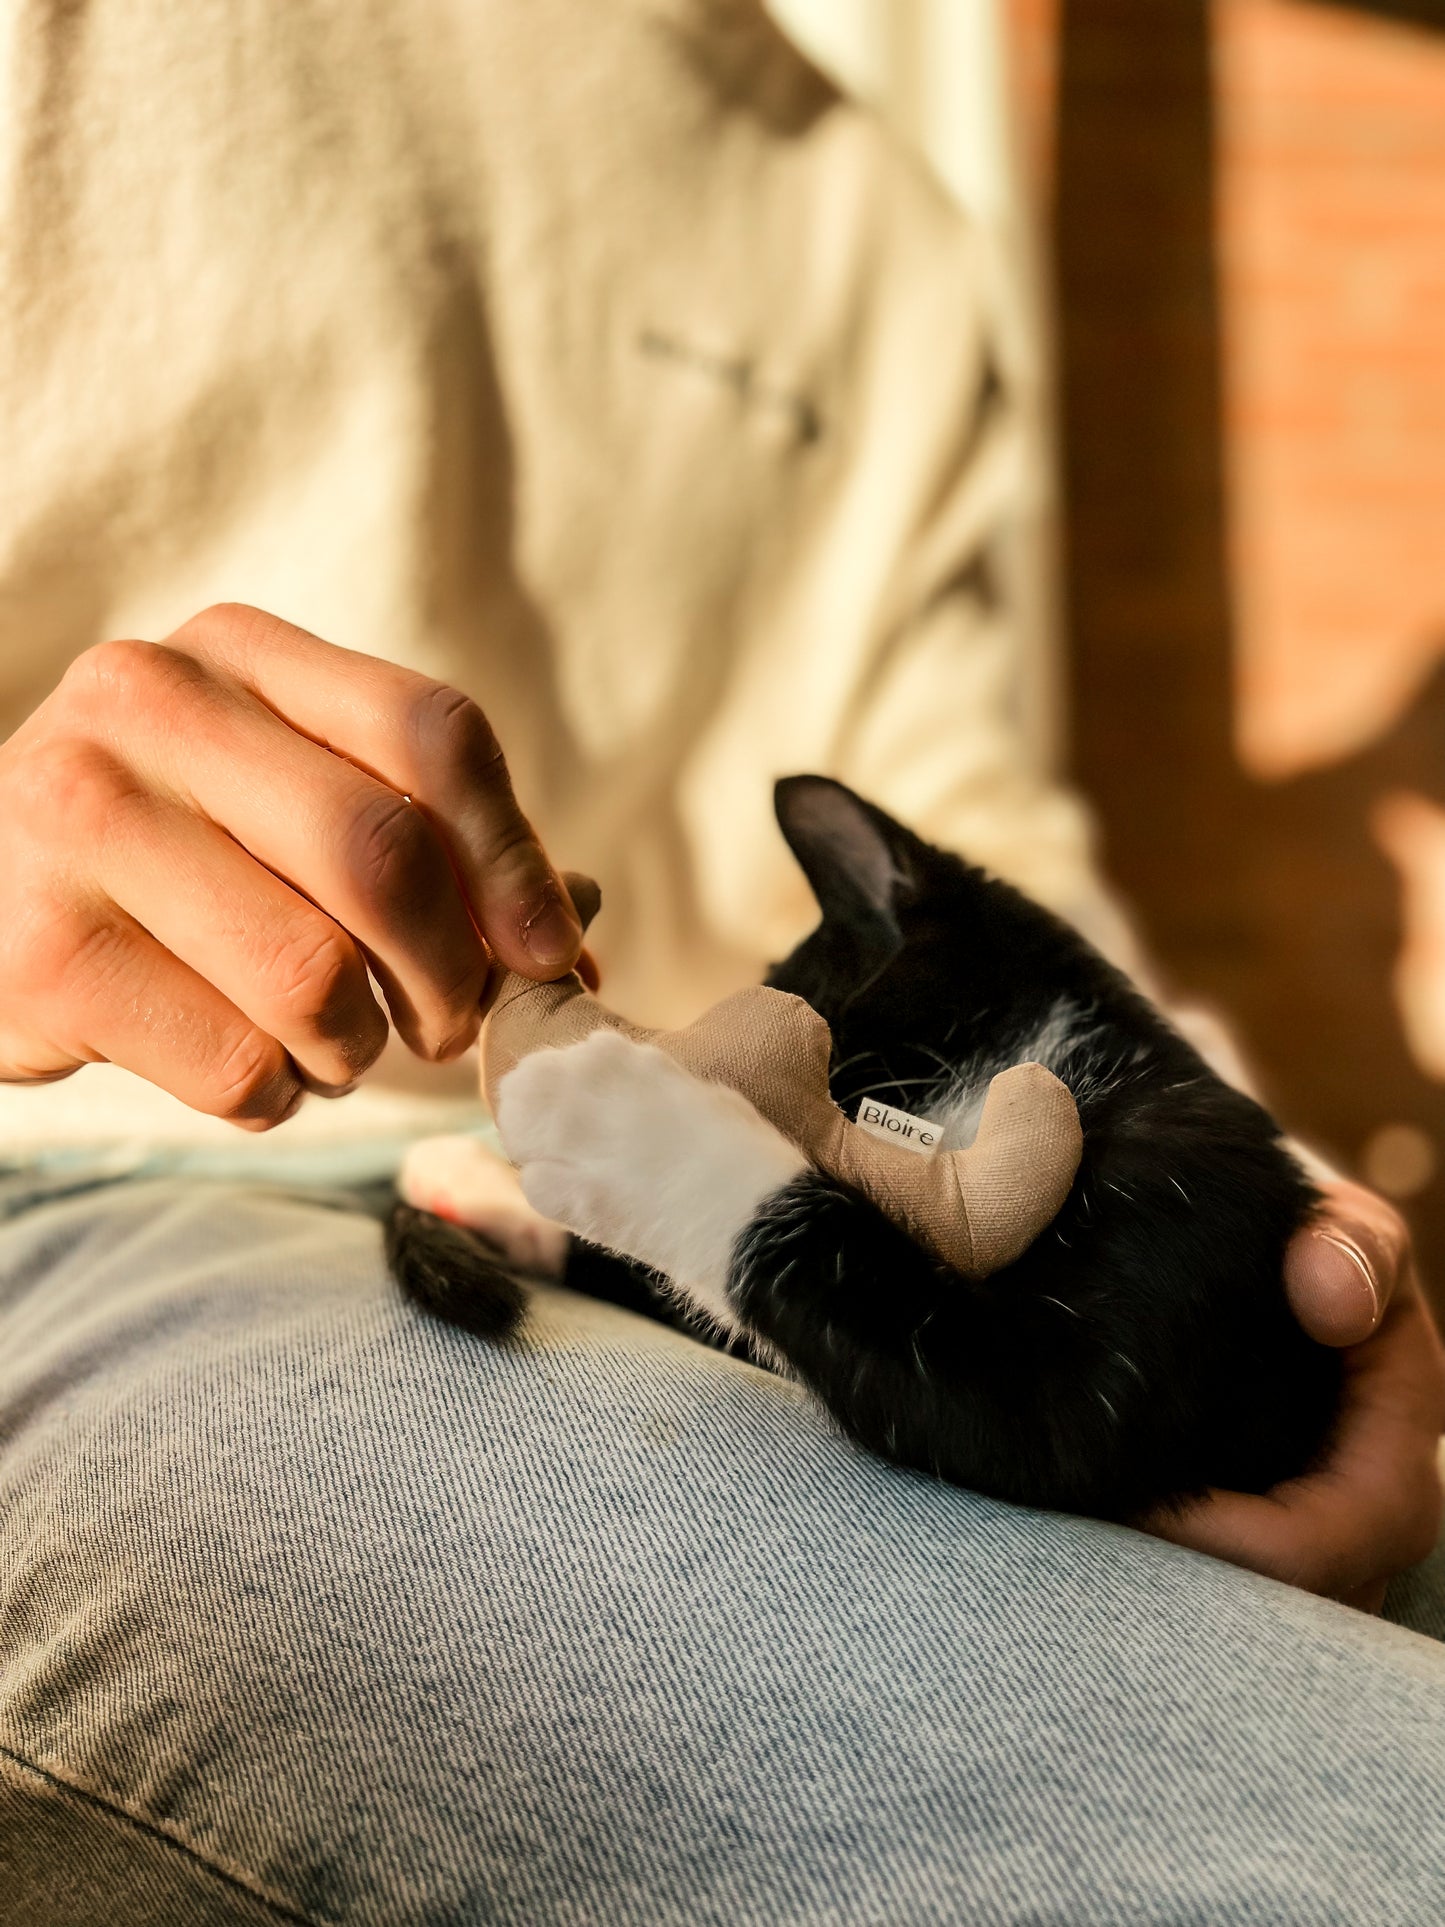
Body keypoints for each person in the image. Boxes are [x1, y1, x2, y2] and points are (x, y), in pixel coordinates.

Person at [2, 2, 1444, 1919]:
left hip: (774, 1226)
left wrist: (1233, 1213)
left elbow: (981, 868)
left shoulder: (869, 220)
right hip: (105, 1207)